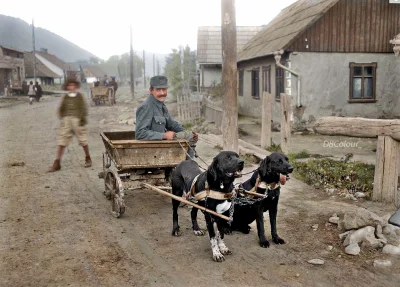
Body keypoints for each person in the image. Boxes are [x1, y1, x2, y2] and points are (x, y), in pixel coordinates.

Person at [135, 75, 198, 160]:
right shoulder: (146, 107)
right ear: (151, 90)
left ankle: (189, 166)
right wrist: (164, 135)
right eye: (158, 90)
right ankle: (188, 169)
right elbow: (140, 133)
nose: (162, 93)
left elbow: (172, 124)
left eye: (164, 89)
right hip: (152, 151)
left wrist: (188, 133)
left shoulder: (161, 105)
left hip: (162, 147)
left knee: (189, 137)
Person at [48, 78, 92, 172]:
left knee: (83, 140)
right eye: (69, 85)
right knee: (62, 141)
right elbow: (60, 109)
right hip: (67, 120)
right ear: (67, 86)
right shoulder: (65, 97)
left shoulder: (80, 96)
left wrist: (82, 120)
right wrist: (63, 118)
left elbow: (84, 108)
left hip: (78, 121)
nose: (71, 87)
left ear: (76, 86)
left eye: (73, 85)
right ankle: (57, 163)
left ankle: (88, 158)